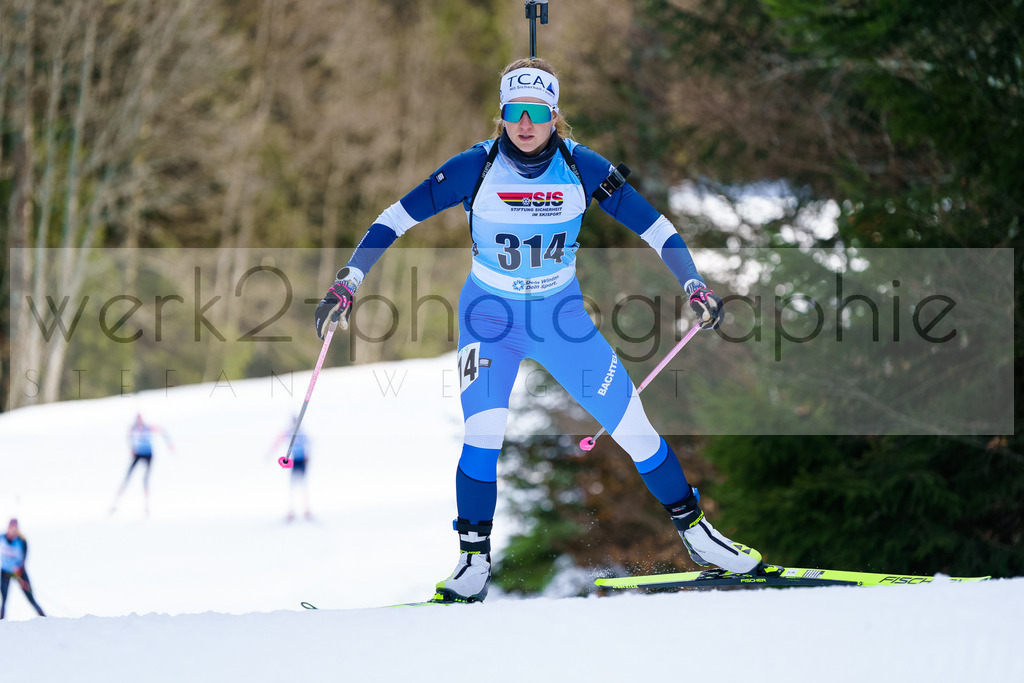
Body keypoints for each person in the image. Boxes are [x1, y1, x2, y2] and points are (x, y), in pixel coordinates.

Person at [314, 58, 762, 603]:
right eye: (513, 112)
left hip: (560, 320)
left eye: (537, 113)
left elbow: (659, 228)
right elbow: (393, 218)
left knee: (635, 428)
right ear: (501, 115)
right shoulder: (473, 169)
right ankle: (472, 561)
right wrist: (349, 279)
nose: (525, 124)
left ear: (555, 116)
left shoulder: (583, 167)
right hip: (489, 320)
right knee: (483, 432)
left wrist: (694, 284)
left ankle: (699, 537)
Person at [111, 413, 174, 515]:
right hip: (138, 453)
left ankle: (147, 505)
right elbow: (129, 437)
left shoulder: (148, 428)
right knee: (127, 477)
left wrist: (170, 445)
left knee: (145, 479)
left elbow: (162, 430)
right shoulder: (133, 429)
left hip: (148, 455)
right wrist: (131, 448)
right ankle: (115, 503)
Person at [269, 417, 313, 522]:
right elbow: (279, 440)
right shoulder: (289, 433)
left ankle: (306, 510)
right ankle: (291, 511)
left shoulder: (302, 433)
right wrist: (271, 452)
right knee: (292, 486)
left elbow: (309, 444)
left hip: (302, 461)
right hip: (293, 462)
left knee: (303, 485)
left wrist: (308, 456)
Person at [1, 518, 46, 619]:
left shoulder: (22, 541)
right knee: (4, 599)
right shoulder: (2, 538)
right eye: (11, 527)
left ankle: (44, 618)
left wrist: (19, 569)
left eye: (15, 528)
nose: (13, 530)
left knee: (30, 597)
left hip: (19, 572)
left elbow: (24, 557)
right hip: (5, 573)